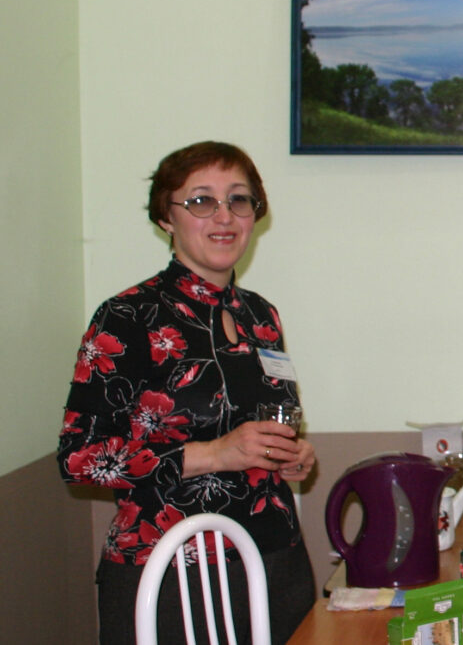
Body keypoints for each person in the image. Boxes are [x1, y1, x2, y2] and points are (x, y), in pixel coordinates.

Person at [58, 141, 318, 645]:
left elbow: (260, 428)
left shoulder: (260, 316)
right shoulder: (128, 317)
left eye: (238, 199)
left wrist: (290, 455)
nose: (224, 216)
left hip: (273, 560)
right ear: (166, 218)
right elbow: (79, 459)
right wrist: (215, 454)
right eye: (201, 200)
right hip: (170, 572)